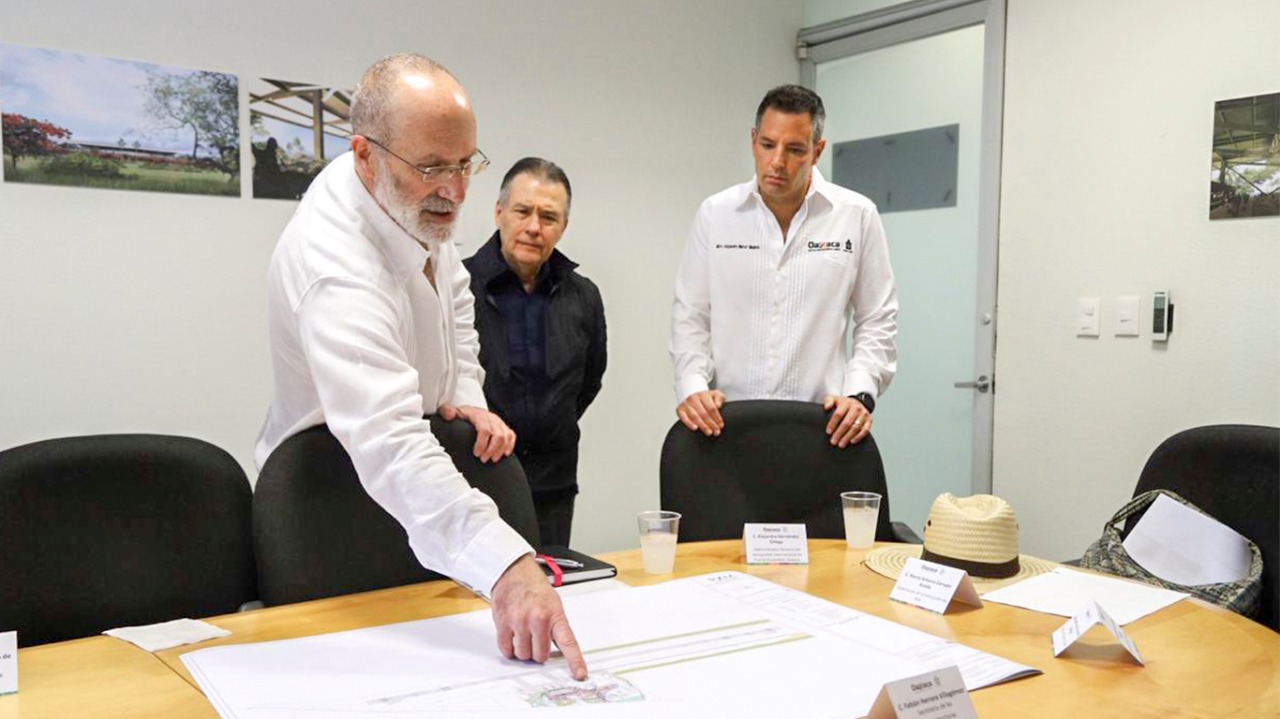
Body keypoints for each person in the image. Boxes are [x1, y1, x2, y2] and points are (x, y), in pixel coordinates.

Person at [254, 54, 586, 679]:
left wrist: (468, 394)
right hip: (333, 499)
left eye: (465, 164)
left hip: (429, 492)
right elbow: (388, 440)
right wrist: (508, 566)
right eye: (433, 167)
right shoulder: (334, 264)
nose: (456, 190)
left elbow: (455, 300)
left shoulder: (407, 195)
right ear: (365, 155)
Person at [670, 84, 898, 448]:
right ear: (753, 141)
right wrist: (693, 387)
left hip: (823, 429)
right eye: (768, 145)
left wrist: (860, 393)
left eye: (795, 150)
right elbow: (691, 314)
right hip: (726, 426)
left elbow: (877, 318)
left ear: (817, 151)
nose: (778, 162)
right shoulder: (716, 214)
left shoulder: (857, 215)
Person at [464, 158, 607, 548]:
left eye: (548, 217)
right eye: (522, 211)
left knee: (548, 582)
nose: (533, 227)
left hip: (553, 486)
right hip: (473, 483)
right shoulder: (457, 286)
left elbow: (588, 381)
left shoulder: (583, 296)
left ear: (563, 226)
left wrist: (549, 420)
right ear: (499, 212)